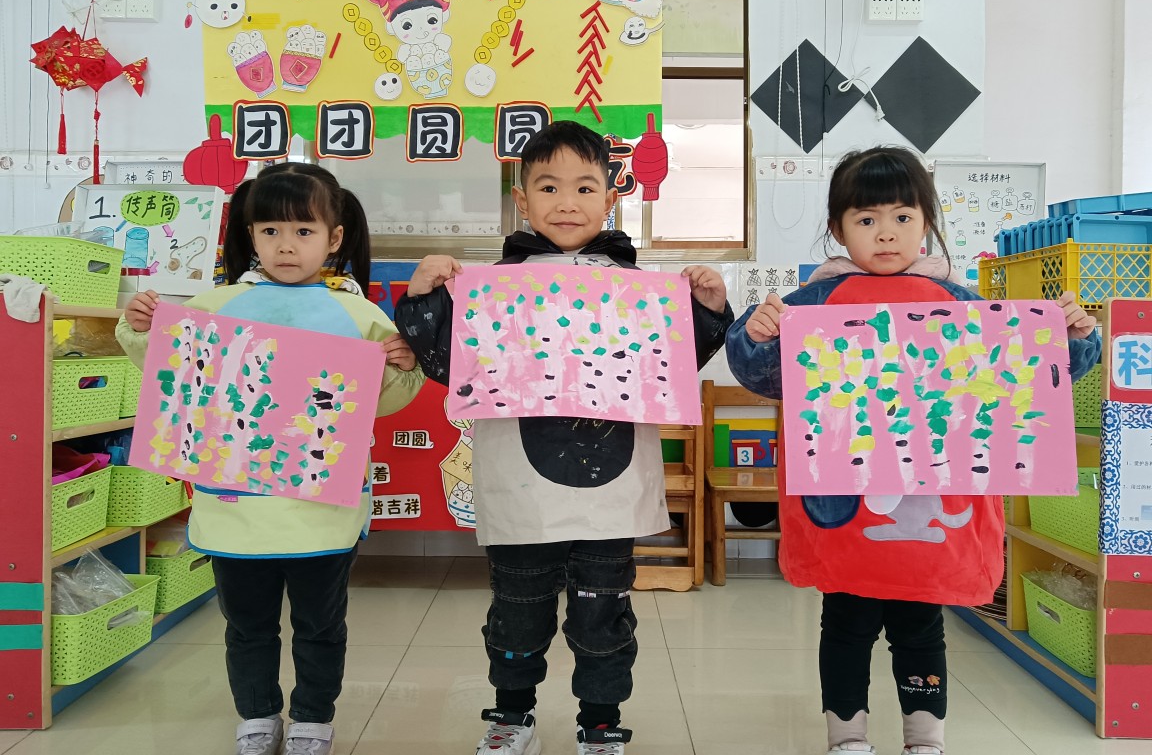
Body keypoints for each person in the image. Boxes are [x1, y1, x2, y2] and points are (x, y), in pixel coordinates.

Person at [725, 146, 1101, 755]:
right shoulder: (810, 304)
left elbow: (1038, 378)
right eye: (866, 218)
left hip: (934, 509)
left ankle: (925, 739)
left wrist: (1074, 337)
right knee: (846, 625)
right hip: (846, 511)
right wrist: (756, 334)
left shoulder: (962, 304)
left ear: (926, 220)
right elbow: (761, 374)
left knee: (921, 626)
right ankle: (847, 738)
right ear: (838, 228)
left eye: (902, 217)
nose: (886, 233)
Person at [395, 120, 734, 755]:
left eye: (585, 186)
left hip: (611, 489)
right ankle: (512, 716)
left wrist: (708, 310)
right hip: (519, 485)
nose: (567, 202)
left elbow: (674, 366)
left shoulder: (639, 289)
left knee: (603, 612)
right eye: (548, 187)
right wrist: (422, 299)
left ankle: (600, 723)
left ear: (611, 197)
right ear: (522, 201)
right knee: (517, 609)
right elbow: (445, 365)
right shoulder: (491, 287)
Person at [116, 164, 425, 755]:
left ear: (334, 238)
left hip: (321, 512)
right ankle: (257, 716)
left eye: (304, 231)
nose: (287, 245)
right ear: (251, 235)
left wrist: (402, 366)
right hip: (235, 510)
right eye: (271, 230)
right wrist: (140, 329)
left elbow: (381, 402)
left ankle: (312, 718)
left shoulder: (359, 315)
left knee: (320, 625)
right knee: (247, 626)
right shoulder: (217, 304)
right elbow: (168, 370)